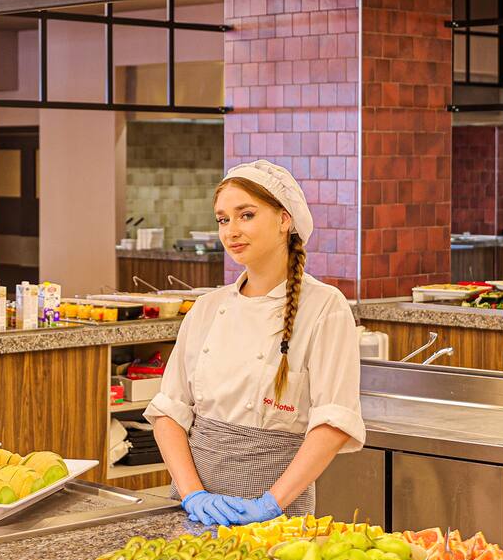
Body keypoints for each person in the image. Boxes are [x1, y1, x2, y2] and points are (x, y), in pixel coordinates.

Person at [146, 160, 364, 527]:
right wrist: (193, 495)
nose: (232, 231)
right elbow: (169, 412)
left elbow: (334, 421)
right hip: (192, 509)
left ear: (284, 220)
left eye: (246, 215)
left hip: (277, 515)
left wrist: (269, 504)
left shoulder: (325, 307)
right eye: (223, 219)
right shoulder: (206, 307)